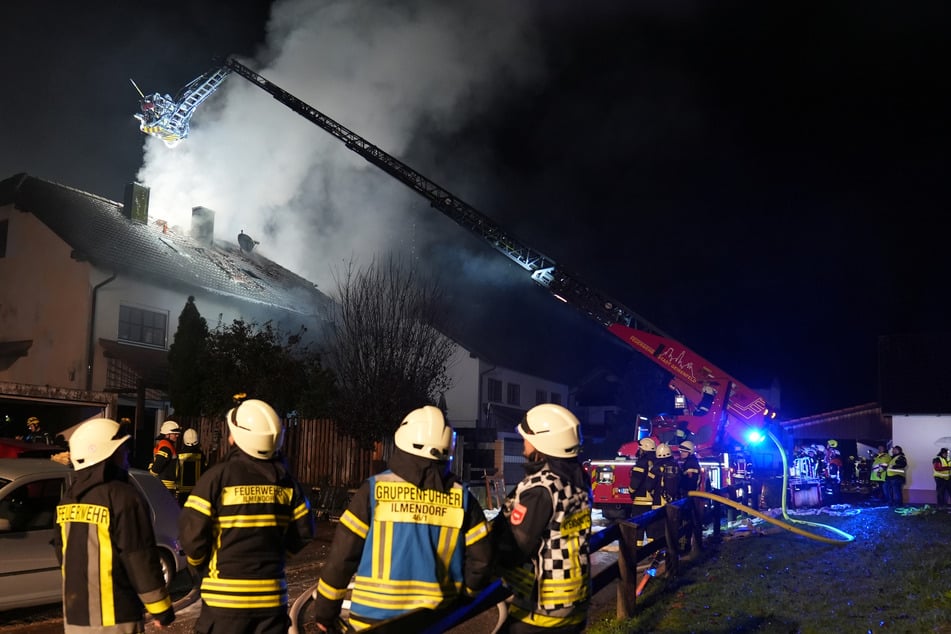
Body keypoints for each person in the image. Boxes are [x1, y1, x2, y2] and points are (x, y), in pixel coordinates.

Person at [313, 406, 492, 632]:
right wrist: (465, 599)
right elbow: (482, 561)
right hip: (436, 622)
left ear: (402, 441)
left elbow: (342, 558)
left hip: (373, 623)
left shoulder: (373, 490)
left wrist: (326, 611)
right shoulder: (462, 498)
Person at [179, 397, 314, 634]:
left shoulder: (217, 478)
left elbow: (192, 540)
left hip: (224, 606)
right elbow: (304, 532)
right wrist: (277, 556)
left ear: (237, 438)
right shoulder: (287, 482)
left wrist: (201, 569)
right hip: (272, 603)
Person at [54, 418, 176, 631]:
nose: (127, 454)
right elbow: (139, 556)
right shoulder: (124, 497)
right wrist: (161, 609)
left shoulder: (68, 499)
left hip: (75, 618)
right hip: (117, 617)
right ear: (108, 455)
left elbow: (61, 552)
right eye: (122, 449)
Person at [492, 403, 592, 633]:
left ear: (542, 443)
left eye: (527, 438)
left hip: (541, 608)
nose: (524, 444)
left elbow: (514, 547)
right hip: (575, 601)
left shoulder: (541, 488)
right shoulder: (577, 480)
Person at [677, 440, 704, 553]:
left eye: (684, 452)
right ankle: (690, 546)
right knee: (691, 521)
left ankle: (686, 547)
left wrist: (679, 480)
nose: (681, 454)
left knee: (687, 522)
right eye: (681, 451)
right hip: (689, 497)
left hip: (689, 496)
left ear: (690, 452)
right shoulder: (690, 461)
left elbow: (690, 482)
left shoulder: (691, 464)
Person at [629, 436, 658, 521]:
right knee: (652, 531)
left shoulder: (641, 463)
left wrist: (631, 492)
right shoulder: (657, 462)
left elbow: (635, 483)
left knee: (637, 529)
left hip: (640, 502)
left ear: (643, 450)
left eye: (640, 448)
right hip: (655, 502)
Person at [149, 420, 181, 495]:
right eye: (175, 434)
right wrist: (152, 472)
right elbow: (158, 465)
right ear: (167, 435)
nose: (177, 436)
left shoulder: (165, 445)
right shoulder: (166, 447)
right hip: (165, 486)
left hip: (164, 485)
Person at [176, 428, 207, 505]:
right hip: (197, 490)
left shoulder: (179, 454)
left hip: (181, 492)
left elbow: (175, 471)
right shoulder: (201, 455)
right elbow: (205, 471)